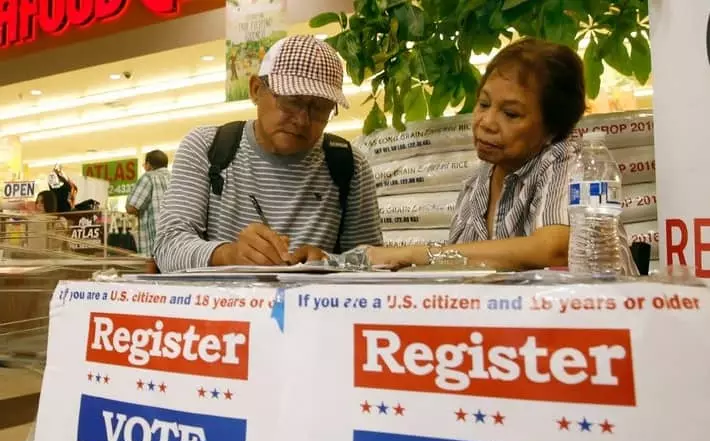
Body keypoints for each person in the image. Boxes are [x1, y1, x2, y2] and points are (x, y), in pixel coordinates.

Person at [367, 38, 637, 274]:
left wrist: (413, 253)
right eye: (483, 104)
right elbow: (460, 266)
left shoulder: (569, 162)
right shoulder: (477, 184)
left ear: (552, 128)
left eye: (510, 114)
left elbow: (556, 248)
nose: (486, 122)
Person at [153, 35, 382, 273]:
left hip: (315, 308)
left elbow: (373, 264)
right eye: (291, 101)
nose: (302, 120)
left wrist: (328, 261)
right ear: (255, 90)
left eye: (320, 108)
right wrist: (227, 254)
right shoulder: (206, 147)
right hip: (221, 307)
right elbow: (168, 247)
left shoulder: (349, 165)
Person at [126, 150, 171, 257]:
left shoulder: (149, 177)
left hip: (155, 245)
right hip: (176, 244)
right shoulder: (175, 178)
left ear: (149, 165)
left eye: (144, 164)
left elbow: (131, 207)